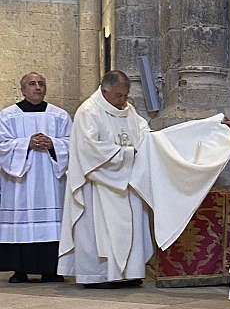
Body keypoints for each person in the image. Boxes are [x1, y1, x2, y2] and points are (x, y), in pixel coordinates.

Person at [58, 70, 153, 288]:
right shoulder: (89, 111)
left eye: (126, 95)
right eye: (119, 96)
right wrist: (127, 154)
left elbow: (143, 130)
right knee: (98, 232)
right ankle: (97, 276)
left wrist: (150, 143)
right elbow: (89, 148)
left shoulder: (128, 110)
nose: (123, 101)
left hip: (126, 181)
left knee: (129, 228)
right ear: (104, 91)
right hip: (98, 184)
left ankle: (129, 273)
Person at [0, 72, 72, 283]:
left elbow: (73, 143)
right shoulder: (7, 116)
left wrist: (54, 144)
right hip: (19, 184)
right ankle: (19, 270)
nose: (37, 87)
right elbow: (2, 146)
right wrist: (26, 144)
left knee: (52, 224)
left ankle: (51, 270)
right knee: (20, 222)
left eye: (41, 83)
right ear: (23, 90)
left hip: (51, 182)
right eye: (32, 84)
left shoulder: (59, 115)